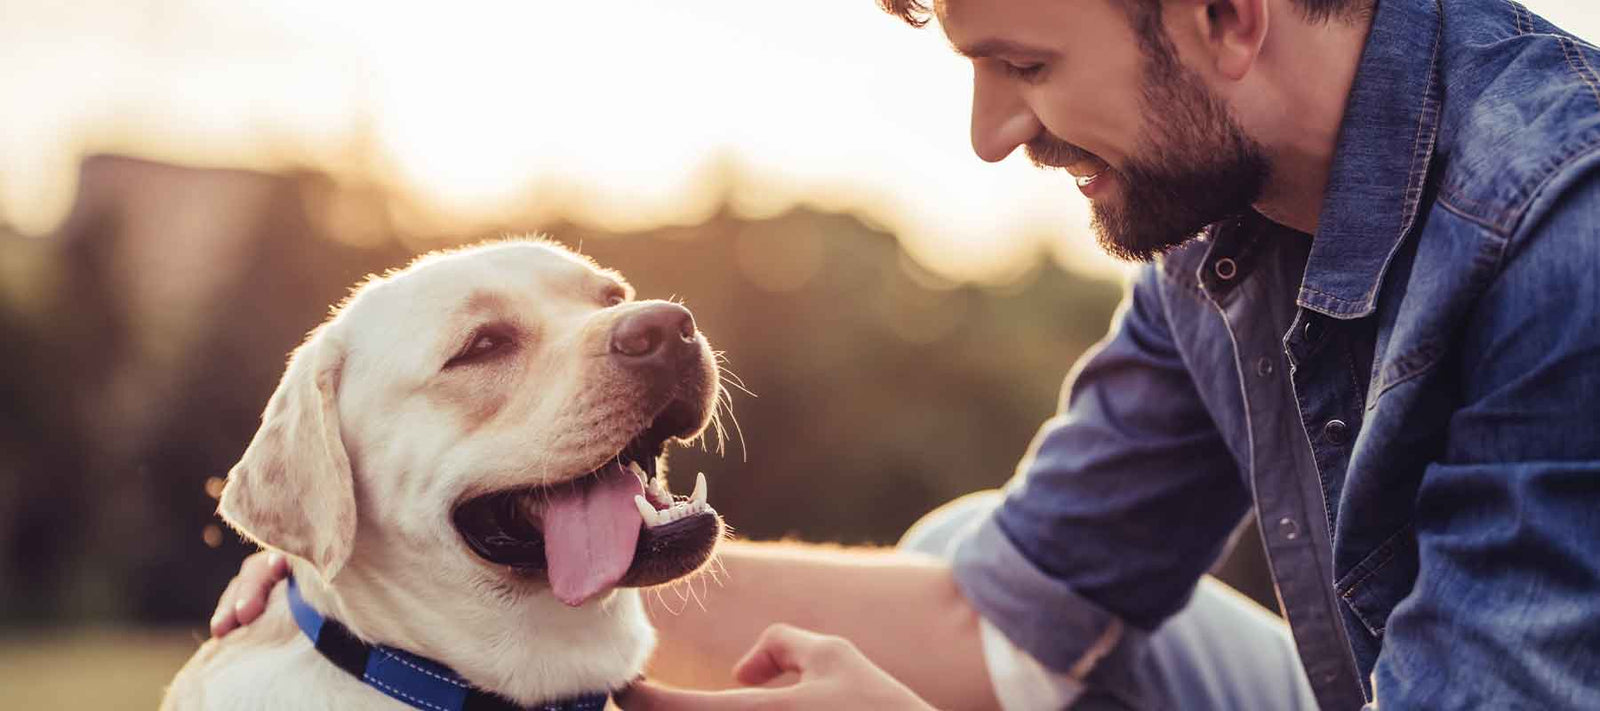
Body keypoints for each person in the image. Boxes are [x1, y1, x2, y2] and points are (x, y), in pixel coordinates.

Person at [213, 0, 1600, 707]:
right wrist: (409, 554)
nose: (992, 134)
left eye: (1028, 63)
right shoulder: (1216, 229)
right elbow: (1007, 605)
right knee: (967, 546)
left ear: (1230, 13)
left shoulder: (1560, 238)